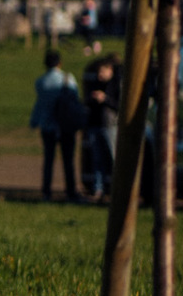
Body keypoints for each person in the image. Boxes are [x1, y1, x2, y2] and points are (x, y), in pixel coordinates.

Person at [30, 48, 82, 201]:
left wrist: (34, 121)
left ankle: (46, 191)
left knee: (48, 159)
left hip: (47, 125)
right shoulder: (68, 79)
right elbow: (75, 99)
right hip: (65, 125)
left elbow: (39, 104)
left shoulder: (40, 82)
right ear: (60, 63)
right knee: (68, 160)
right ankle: (71, 191)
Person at [83, 55, 120, 199]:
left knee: (113, 157)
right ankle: (98, 189)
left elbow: (119, 105)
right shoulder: (95, 84)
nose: (100, 75)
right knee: (97, 159)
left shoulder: (116, 85)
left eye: (102, 71)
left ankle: (117, 188)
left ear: (110, 70)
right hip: (95, 124)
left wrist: (105, 99)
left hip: (109, 125)